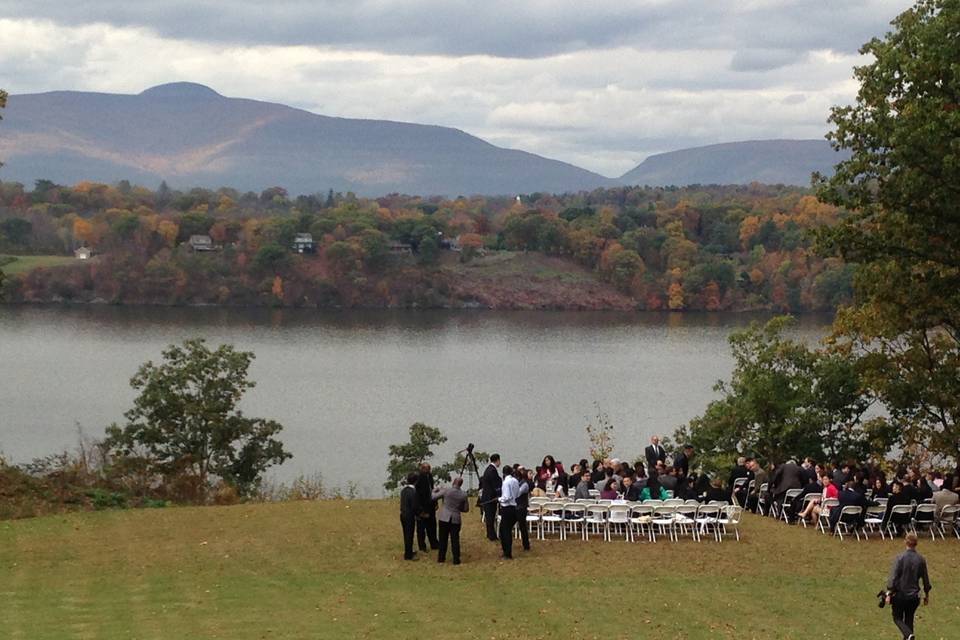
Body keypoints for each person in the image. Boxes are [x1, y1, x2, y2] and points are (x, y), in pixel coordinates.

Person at [885, 532, 932, 640]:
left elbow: (893, 577)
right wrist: (927, 595)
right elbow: (925, 579)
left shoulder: (900, 558)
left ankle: (909, 635)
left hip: (901, 595)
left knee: (897, 617)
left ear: (905, 542)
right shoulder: (921, 559)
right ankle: (908, 636)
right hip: (914, 596)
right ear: (916, 544)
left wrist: (889, 592)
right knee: (909, 619)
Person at [432, 477, 469, 564]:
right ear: (461, 484)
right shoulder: (463, 494)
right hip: (456, 519)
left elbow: (433, 497)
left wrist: (435, 489)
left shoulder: (446, 491)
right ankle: (456, 559)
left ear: (453, 482)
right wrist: (458, 508)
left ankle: (441, 559)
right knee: (455, 539)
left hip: (444, 518)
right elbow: (466, 509)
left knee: (442, 539)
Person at [497, 465, 526, 559]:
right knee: (506, 530)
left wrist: (499, 499)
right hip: (514, 507)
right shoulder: (515, 481)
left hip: (507, 508)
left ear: (504, 473)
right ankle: (506, 551)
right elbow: (517, 494)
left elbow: (507, 497)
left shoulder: (506, 482)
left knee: (505, 531)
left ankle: (507, 553)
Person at [415, 462, 439, 552]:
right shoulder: (419, 478)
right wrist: (420, 510)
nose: (429, 471)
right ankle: (422, 546)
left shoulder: (430, 476)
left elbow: (432, 490)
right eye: (427, 469)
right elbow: (418, 495)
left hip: (431, 506)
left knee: (432, 526)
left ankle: (434, 543)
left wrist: (435, 502)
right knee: (421, 529)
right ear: (423, 469)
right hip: (422, 507)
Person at [480, 454, 502, 541]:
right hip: (490, 497)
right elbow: (495, 484)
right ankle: (491, 535)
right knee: (490, 517)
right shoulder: (492, 471)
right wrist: (499, 494)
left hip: (487, 496)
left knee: (490, 516)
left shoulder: (489, 469)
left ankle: (490, 534)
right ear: (497, 460)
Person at [399, 472, 419, 560]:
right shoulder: (413, 492)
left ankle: (409, 551)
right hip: (409, 516)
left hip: (403, 514)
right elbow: (414, 506)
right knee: (409, 535)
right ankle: (408, 555)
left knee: (406, 534)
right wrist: (419, 514)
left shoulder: (404, 490)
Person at [515, 465, 533, 552]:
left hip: (522, 507)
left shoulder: (525, 484)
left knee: (523, 527)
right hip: (516, 507)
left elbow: (518, 493)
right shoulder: (518, 483)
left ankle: (526, 545)